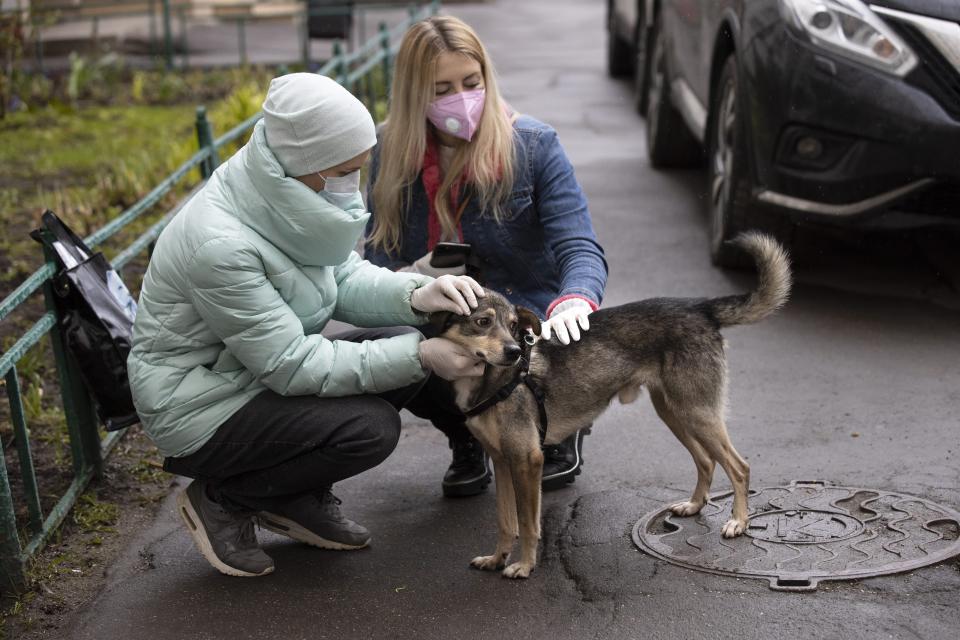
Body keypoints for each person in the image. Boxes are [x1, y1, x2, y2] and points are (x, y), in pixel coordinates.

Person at [127, 73, 486, 578]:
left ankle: (293, 497)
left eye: (357, 169)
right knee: (370, 428)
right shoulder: (221, 245)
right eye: (344, 171)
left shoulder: (280, 187)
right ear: (307, 163)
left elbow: (339, 273)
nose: (351, 183)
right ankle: (224, 499)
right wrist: (421, 355)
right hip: (197, 405)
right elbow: (290, 366)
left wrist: (416, 296)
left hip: (247, 375)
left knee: (402, 344)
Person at [364, 16, 608, 497]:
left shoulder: (533, 145)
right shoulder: (388, 151)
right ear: (415, 96)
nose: (461, 98)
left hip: (524, 316)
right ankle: (465, 435)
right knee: (393, 340)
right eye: (441, 89)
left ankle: (553, 424)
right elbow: (371, 267)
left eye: (471, 83)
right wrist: (411, 277)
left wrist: (576, 298)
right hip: (447, 319)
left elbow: (579, 244)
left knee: (532, 340)